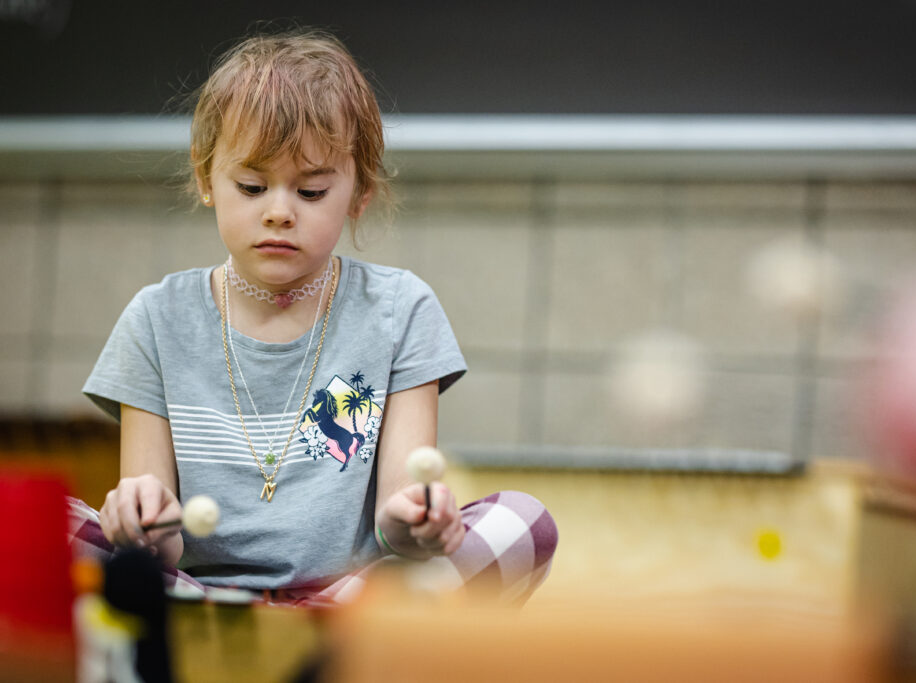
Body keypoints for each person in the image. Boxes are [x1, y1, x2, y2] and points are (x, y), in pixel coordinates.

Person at [70, 28, 556, 605]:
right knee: (35, 519)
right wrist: (142, 523)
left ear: (358, 195)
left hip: (351, 596)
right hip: (192, 594)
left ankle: (315, 636)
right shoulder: (156, 317)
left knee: (524, 523)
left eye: (312, 191)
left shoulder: (400, 311)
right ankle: (267, 640)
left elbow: (391, 530)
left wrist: (417, 523)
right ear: (206, 179)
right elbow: (161, 548)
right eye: (251, 186)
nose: (278, 212)